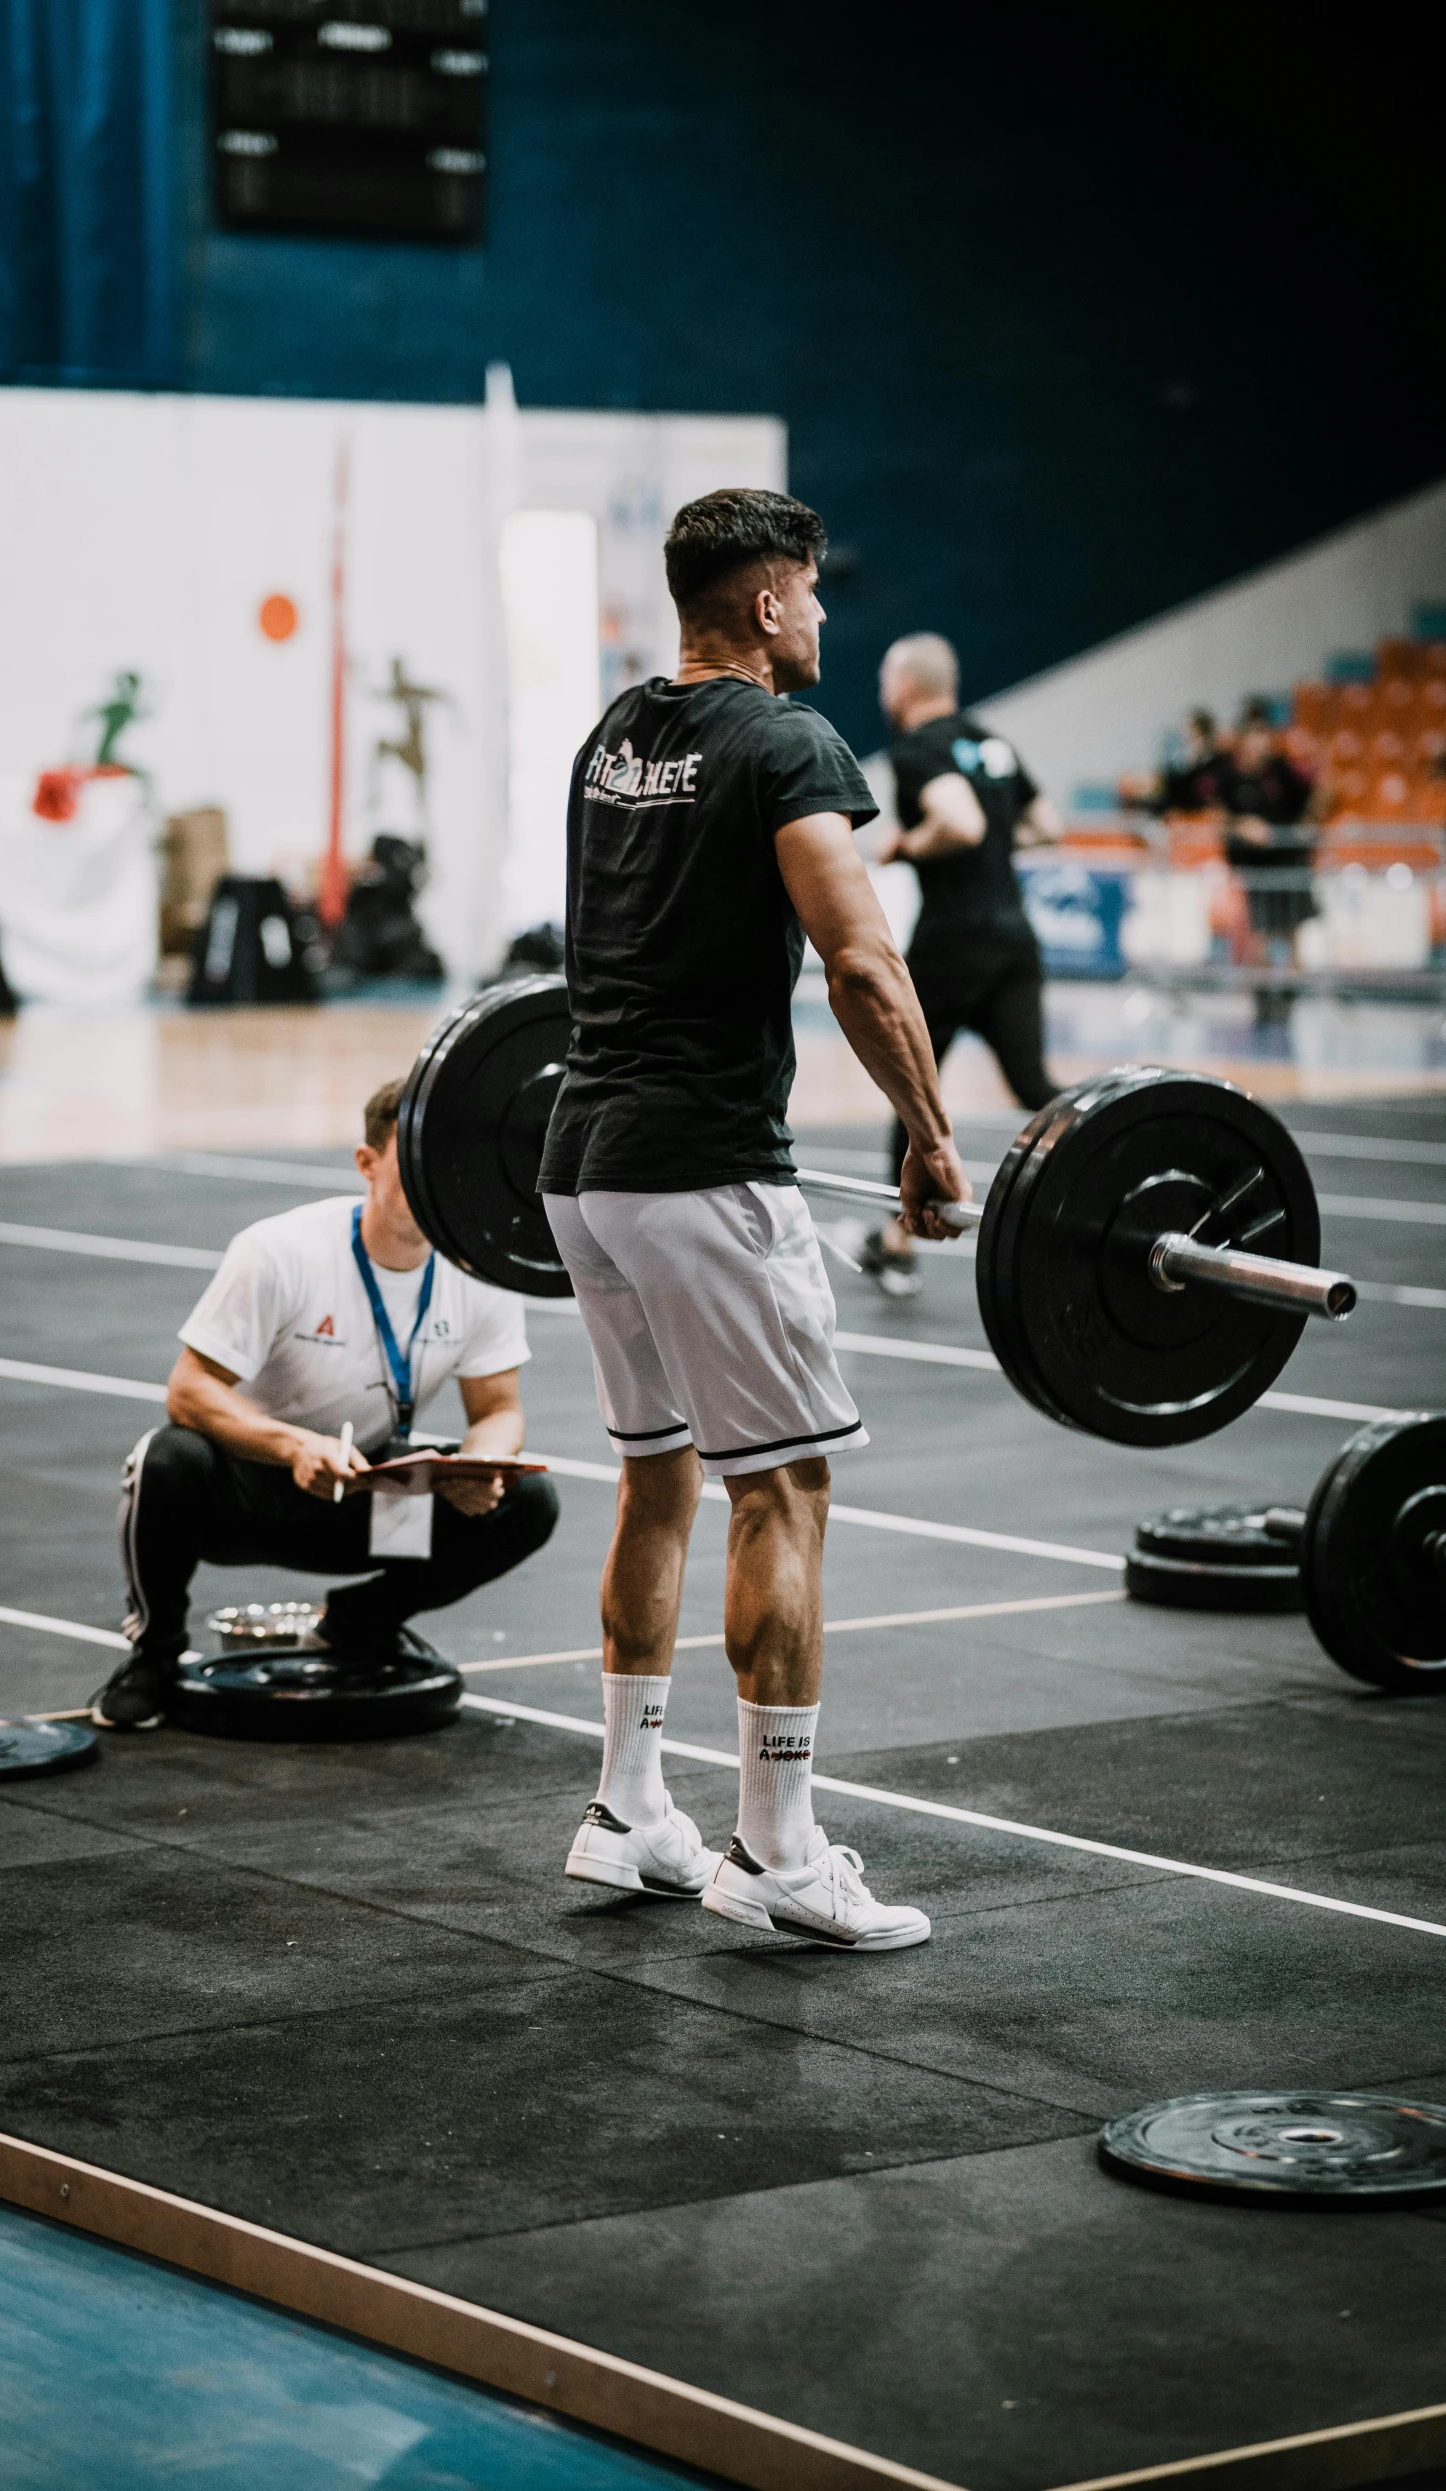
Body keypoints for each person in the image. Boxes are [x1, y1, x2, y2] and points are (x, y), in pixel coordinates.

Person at [538, 487, 972, 1952]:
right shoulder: (787, 740)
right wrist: (926, 1131)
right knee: (779, 1489)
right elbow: (861, 960)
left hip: (578, 1156)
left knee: (655, 1474)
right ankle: (775, 1846)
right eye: (813, 595)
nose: (825, 618)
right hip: (701, 1165)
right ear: (768, 603)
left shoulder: (615, 733)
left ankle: (624, 1806)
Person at [91, 1078, 559, 1729]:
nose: (436, 1182)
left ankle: (358, 1622)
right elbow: (189, 1390)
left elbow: (499, 1408)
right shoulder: (279, 1250)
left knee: (529, 1501)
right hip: (255, 1486)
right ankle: (154, 1654)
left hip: (369, 1490)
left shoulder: (475, 1268)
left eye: (446, 1162)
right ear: (366, 1163)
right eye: (415, 1160)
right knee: (165, 1458)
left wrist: (478, 1465)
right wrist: (291, 1445)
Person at [861, 632, 1062, 1298]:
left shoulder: (917, 747)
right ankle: (1114, 1164)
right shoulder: (989, 741)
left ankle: (897, 1239)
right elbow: (1046, 825)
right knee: (1034, 1085)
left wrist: (904, 846)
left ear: (905, 685)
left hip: (952, 942)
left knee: (911, 1085)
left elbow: (960, 822)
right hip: (1012, 939)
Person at [1217, 698, 1318, 1003]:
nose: (1260, 742)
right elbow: (1221, 818)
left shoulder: (1280, 770)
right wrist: (1241, 826)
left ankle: (1291, 994)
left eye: (1264, 734)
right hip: (1257, 868)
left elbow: (1309, 801)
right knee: (1258, 933)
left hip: (1288, 862)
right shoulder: (1230, 779)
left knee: (1291, 933)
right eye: (1253, 735)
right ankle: (1260, 996)